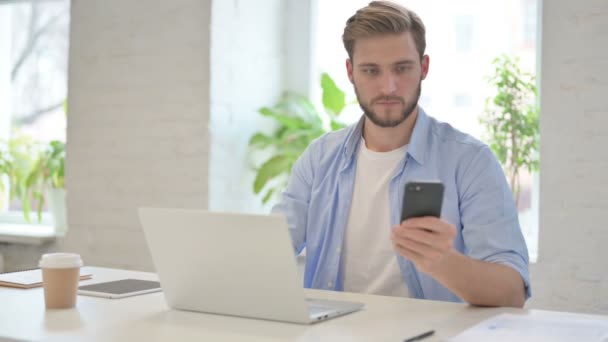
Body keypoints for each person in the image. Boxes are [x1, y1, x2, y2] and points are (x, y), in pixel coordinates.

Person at [273, 1, 530, 307]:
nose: (389, 87)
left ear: (423, 68)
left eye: (402, 68)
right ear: (350, 72)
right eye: (371, 70)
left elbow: (511, 291)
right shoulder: (320, 158)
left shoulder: (470, 161)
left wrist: (442, 261)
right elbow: (270, 252)